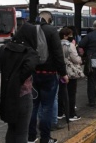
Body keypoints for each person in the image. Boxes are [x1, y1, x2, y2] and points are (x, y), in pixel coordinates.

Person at [0, 23, 39, 142]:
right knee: (22, 132)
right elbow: (30, 68)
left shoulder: (3, 48)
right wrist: (18, 79)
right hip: (22, 95)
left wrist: (8, 77)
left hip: (5, 95)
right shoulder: (30, 52)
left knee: (11, 128)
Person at [28, 11, 68, 143]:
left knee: (33, 106)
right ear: (49, 19)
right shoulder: (51, 30)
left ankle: (31, 137)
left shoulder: (28, 28)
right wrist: (63, 73)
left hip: (32, 73)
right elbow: (58, 53)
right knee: (47, 107)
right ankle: (45, 138)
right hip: (49, 74)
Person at [58, 27, 82, 121]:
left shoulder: (57, 44)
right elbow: (76, 59)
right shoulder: (70, 45)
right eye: (70, 35)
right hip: (70, 72)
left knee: (61, 92)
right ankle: (71, 114)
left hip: (60, 71)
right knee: (71, 93)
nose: (72, 37)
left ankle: (60, 112)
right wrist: (80, 60)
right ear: (65, 36)